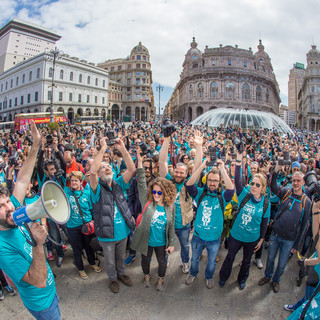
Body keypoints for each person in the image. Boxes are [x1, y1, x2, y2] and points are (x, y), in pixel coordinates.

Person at [0, 121, 61, 320]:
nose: (10, 207)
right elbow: (37, 280)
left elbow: (23, 179)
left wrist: (36, 145)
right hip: (41, 303)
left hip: (51, 292)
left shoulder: (13, 214)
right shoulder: (2, 248)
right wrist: (38, 244)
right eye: (1, 206)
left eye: (7, 201)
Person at [219, 151, 270, 290]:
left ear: (263, 188)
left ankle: (242, 279)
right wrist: (240, 159)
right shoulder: (244, 195)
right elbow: (237, 179)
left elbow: (265, 221)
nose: (253, 186)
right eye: (253, 183)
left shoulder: (266, 203)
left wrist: (261, 239)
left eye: (257, 185)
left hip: (252, 238)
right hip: (236, 235)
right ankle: (223, 277)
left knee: (247, 261)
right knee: (230, 257)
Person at [90, 137, 135, 293]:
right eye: (103, 167)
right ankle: (113, 278)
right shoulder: (96, 189)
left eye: (109, 165)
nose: (107, 167)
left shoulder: (118, 183)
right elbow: (92, 172)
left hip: (122, 232)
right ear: (99, 172)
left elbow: (131, 169)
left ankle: (121, 274)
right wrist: (102, 149)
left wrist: (122, 149)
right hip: (106, 235)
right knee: (109, 261)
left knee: (120, 257)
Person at [258, 164, 312, 293]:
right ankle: (267, 276)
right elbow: (273, 186)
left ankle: (276, 281)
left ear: (303, 182)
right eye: (294, 180)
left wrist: (297, 245)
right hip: (275, 235)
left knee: (282, 264)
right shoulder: (286, 192)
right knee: (270, 259)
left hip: (289, 240)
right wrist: (276, 171)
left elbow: (304, 225)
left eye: (298, 180)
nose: (296, 183)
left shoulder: (307, 202)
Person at [185, 158, 234, 289]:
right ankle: (193, 273)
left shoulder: (222, 196)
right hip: (197, 236)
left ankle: (209, 276)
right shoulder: (200, 193)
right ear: (207, 180)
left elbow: (231, 189)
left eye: (215, 181)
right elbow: (189, 184)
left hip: (214, 239)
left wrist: (222, 169)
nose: (212, 183)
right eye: (210, 180)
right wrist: (202, 166)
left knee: (212, 261)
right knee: (194, 259)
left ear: (219, 182)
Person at [131, 149, 176, 290]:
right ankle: (146, 276)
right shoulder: (147, 202)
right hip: (146, 241)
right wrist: (139, 159)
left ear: (165, 193)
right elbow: (141, 182)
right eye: (154, 191)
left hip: (162, 243)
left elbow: (171, 226)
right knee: (145, 260)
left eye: (159, 192)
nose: (156, 194)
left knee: (162, 262)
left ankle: (161, 280)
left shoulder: (170, 207)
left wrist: (172, 243)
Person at [159, 130, 203, 274]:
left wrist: (198, 146)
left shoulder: (189, 184)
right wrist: (166, 140)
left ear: (186, 174)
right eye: (176, 172)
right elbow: (162, 162)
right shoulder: (168, 181)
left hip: (183, 224)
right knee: (164, 245)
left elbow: (197, 166)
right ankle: (163, 263)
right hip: (167, 223)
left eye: (181, 173)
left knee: (185, 245)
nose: (178, 174)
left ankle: (185, 262)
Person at [64, 171, 101, 279]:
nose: (74, 183)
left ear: (81, 182)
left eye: (76, 180)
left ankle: (92, 263)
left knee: (89, 246)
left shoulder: (87, 192)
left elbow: (91, 209)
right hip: (73, 226)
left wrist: (94, 222)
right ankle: (80, 268)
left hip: (87, 225)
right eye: (72, 181)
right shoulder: (66, 192)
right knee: (77, 249)